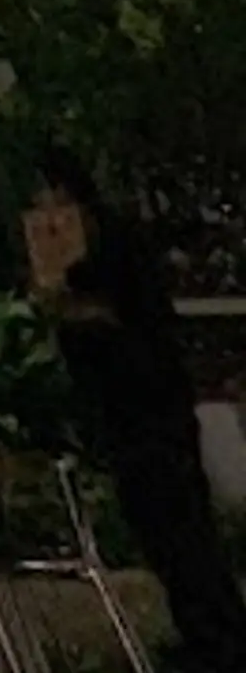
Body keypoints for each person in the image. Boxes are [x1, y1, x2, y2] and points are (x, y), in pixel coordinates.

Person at [22, 160, 246, 673]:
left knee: (183, 527)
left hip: (153, 406)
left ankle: (219, 634)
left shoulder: (118, 252)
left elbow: (134, 326)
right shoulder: (81, 260)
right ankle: (203, 628)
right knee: (161, 532)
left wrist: (80, 309)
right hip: (122, 413)